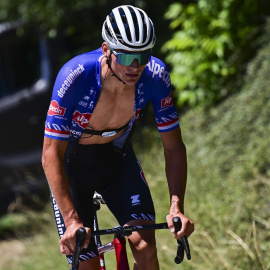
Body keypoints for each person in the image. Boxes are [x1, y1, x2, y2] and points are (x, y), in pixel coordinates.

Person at [42, 5, 194, 270]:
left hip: (116, 163)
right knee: (86, 264)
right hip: (72, 169)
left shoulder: (155, 76)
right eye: (125, 58)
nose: (135, 66)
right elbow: (50, 153)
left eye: (143, 55)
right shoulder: (76, 75)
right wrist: (71, 221)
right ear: (105, 50)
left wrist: (176, 207)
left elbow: (173, 148)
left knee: (146, 250)